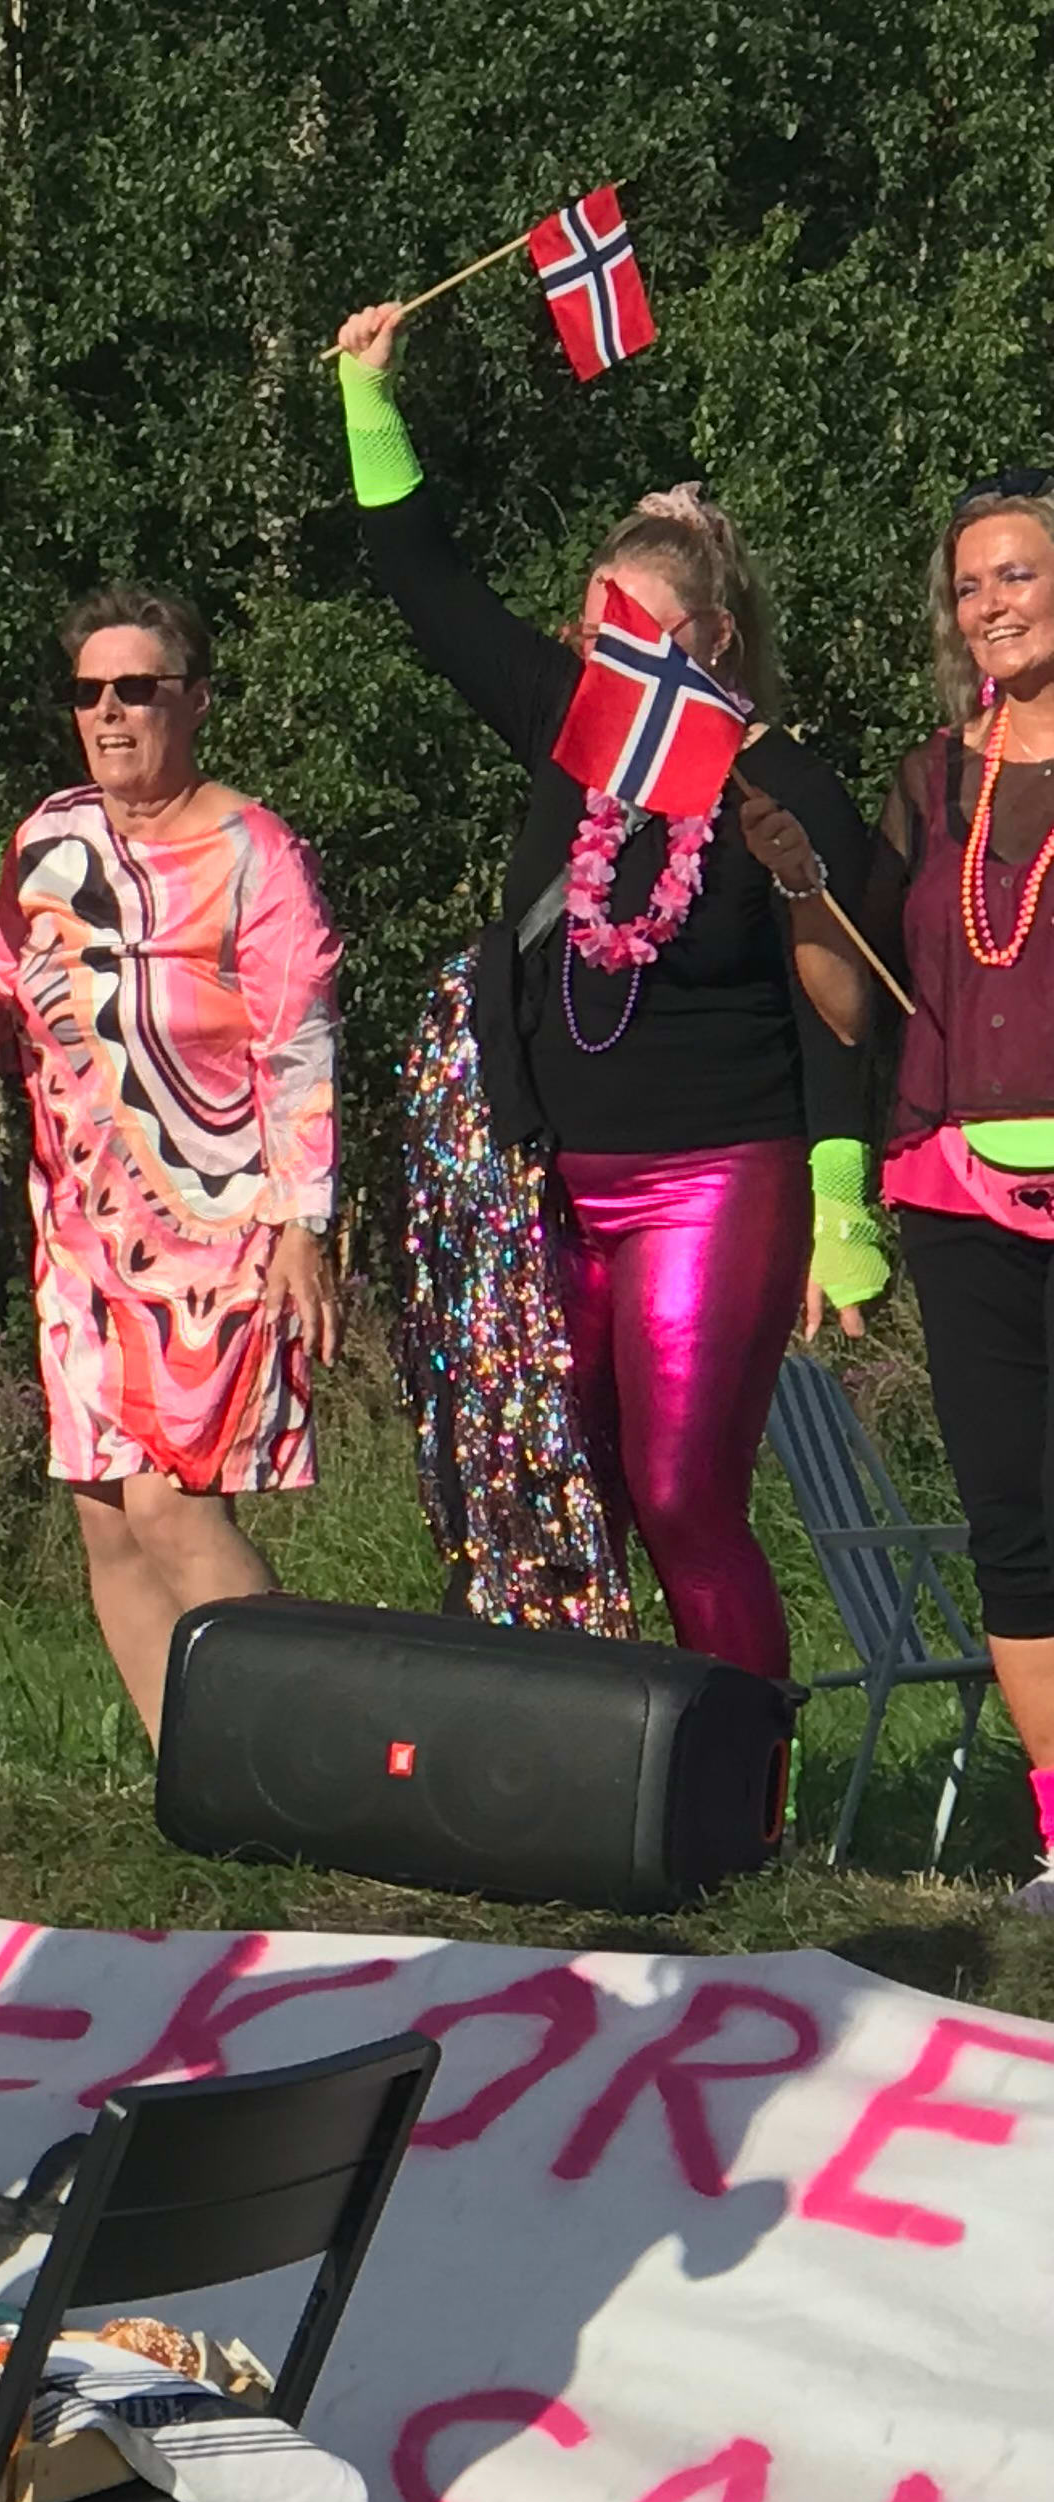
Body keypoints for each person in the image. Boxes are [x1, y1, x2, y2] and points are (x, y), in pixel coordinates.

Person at [334, 306, 875, 1682]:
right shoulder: (571, 736)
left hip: (717, 1174)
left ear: (715, 639)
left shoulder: (784, 790)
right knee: (572, 1500)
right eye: (591, 632)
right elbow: (427, 582)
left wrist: (839, 1195)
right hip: (558, 1179)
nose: (601, 657)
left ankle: (744, 1770)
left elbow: (843, 1013)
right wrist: (368, 395)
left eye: (631, 631)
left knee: (687, 1496)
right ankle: (606, 1766)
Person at [0, 591, 346, 1744]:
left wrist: (305, 1226)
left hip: (222, 1226)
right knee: (105, 1516)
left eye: (136, 689)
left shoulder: (257, 853)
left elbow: (299, 1046)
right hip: (81, 1230)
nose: (109, 712)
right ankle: (186, 1776)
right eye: (88, 691)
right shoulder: (47, 840)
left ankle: (306, 1756)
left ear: (194, 701)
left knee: (173, 1507)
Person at [862, 474, 1054, 1899]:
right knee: (1017, 1522)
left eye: (1018, 574)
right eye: (970, 584)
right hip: (957, 1195)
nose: (991, 604)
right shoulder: (930, 784)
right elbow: (856, 988)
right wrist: (798, 886)